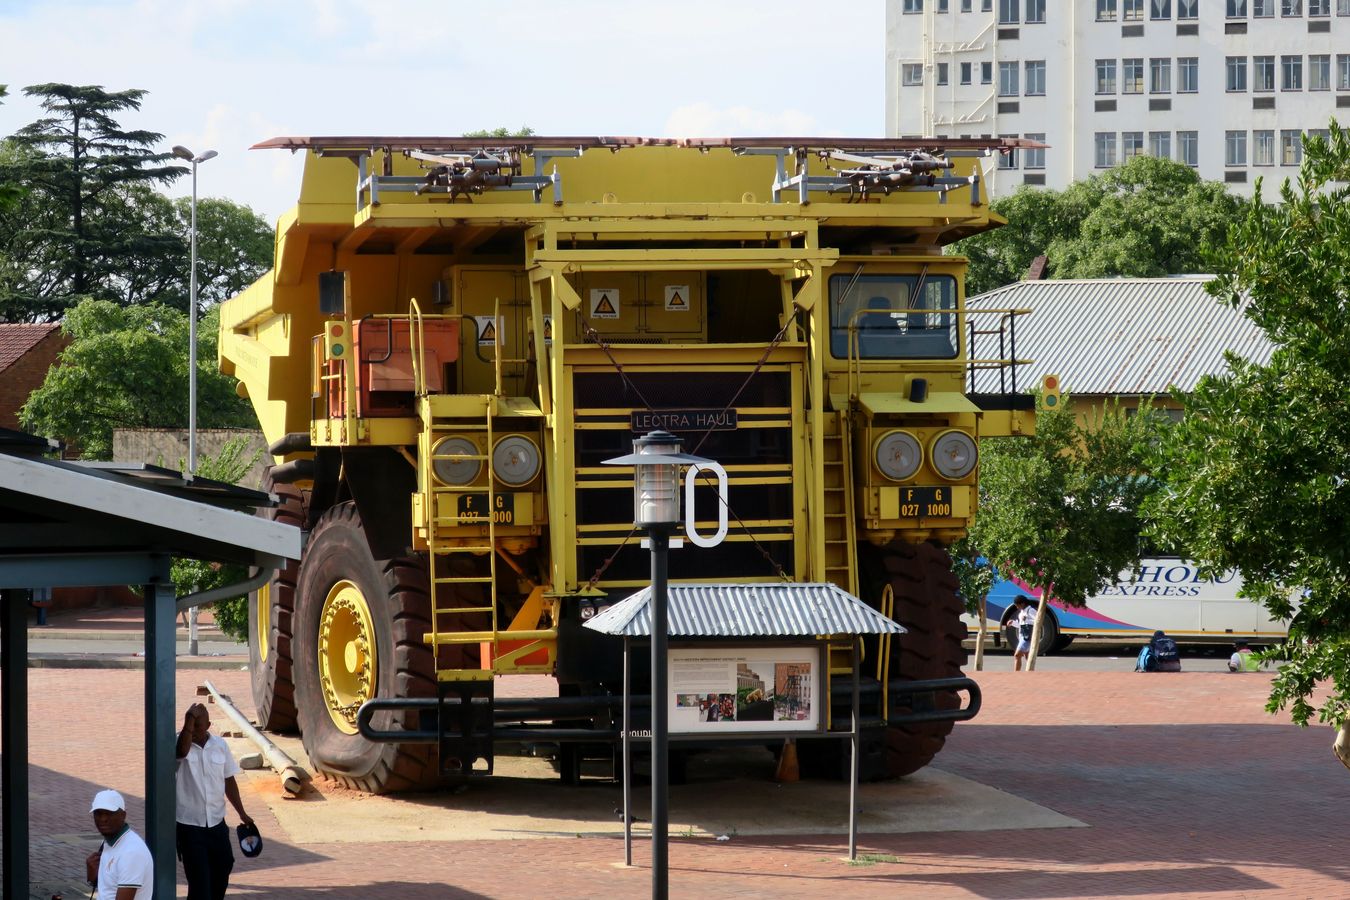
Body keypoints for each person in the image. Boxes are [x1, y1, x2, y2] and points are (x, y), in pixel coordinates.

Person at [176, 702, 253, 900]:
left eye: (197, 726)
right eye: (190, 725)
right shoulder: (180, 743)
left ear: (208, 726)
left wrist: (242, 813)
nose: (193, 731)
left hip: (217, 823)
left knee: (224, 867)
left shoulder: (220, 745)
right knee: (199, 883)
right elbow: (181, 752)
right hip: (190, 827)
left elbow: (229, 780)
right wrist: (189, 721)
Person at [86, 788, 153, 900]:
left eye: (109, 813)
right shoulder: (109, 841)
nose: (103, 819)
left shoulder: (131, 852)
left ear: (123, 815)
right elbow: (109, 889)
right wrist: (93, 879)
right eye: (98, 813)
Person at [1011, 595, 1037, 672]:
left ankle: (1016, 674)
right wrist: (1013, 623)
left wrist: (1027, 620)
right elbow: (1021, 624)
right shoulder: (1022, 612)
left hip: (1027, 637)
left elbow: (1038, 622)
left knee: (1017, 655)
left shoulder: (1031, 610)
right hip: (1023, 635)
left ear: (1022, 604)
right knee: (1027, 656)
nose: (1017, 607)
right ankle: (1030, 673)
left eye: (1017, 605)